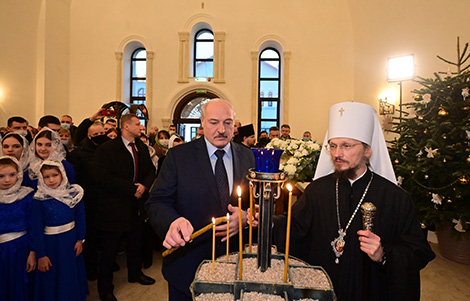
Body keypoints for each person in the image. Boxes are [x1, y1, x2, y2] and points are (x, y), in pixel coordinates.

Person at [262, 102, 435, 300]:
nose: (337, 154)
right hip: (323, 289)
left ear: (368, 150)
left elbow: (419, 252)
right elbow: (295, 228)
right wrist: (267, 220)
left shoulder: (395, 198)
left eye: (347, 146)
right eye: (333, 146)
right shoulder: (317, 190)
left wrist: (383, 254)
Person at [145, 98, 255, 300]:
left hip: (235, 263)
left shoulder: (248, 156)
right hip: (188, 262)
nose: (221, 129)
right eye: (214, 122)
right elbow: (157, 201)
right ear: (202, 123)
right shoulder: (179, 156)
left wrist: (246, 217)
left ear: (235, 125)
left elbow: (256, 204)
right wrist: (173, 221)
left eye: (228, 123)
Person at [94, 113, 156, 301]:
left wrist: (144, 187)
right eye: (138, 124)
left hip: (136, 205)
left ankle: (135, 274)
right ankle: (105, 289)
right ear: (126, 126)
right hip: (114, 206)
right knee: (109, 250)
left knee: (135, 243)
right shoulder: (107, 149)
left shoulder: (142, 148)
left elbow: (150, 170)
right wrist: (131, 189)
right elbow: (103, 178)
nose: (142, 127)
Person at [32, 160, 88, 301]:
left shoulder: (74, 193)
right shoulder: (39, 198)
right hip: (51, 244)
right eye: (46, 177)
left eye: (55, 175)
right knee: (53, 275)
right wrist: (41, 254)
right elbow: (37, 227)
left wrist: (80, 239)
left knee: (70, 273)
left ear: (62, 174)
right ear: (41, 178)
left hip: (70, 241)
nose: (51, 180)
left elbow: (80, 217)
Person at [69, 121, 108, 281]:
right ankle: (90, 269)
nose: (100, 137)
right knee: (91, 236)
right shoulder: (79, 153)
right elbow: (77, 178)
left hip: (106, 199)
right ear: (89, 136)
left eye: (102, 133)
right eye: (96, 135)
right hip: (89, 199)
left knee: (104, 236)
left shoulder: (108, 149)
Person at [0, 156, 36, 301]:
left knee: (21, 284)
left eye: (12, 175)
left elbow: (33, 225)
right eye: (1, 176)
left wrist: (33, 252)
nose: (7, 180)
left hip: (21, 248)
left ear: (19, 174)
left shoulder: (27, 195)